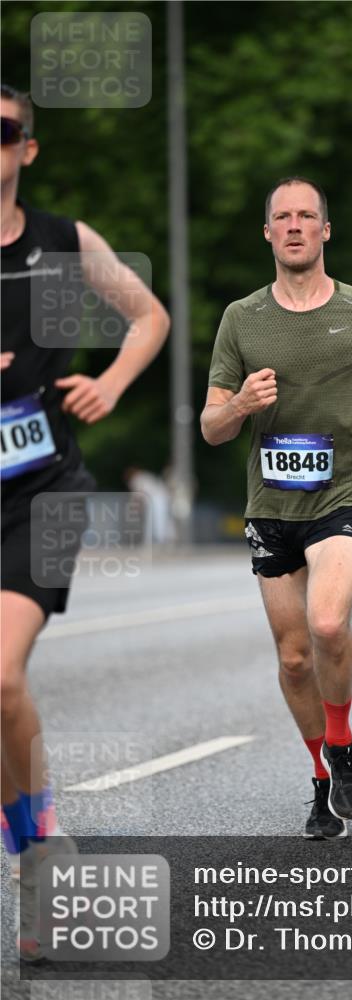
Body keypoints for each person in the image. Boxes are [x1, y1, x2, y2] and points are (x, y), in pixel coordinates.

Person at [201, 176, 352, 839]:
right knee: (295, 656)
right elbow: (211, 426)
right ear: (268, 233)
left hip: (342, 494)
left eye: (308, 216)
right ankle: (321, 778)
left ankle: (343, 745)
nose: (296, 225)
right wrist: (240, 405)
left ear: (325, 231)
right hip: (271, 504)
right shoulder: (240, 319)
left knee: (328, 625)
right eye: (283, 217)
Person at [0, 84, 170, 959]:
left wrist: (109, 380)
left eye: (3, 133)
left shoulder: (62, 242)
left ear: (28, 149)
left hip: (46, 487)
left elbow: (149, 316)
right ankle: (38, 847)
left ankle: (41, 842)